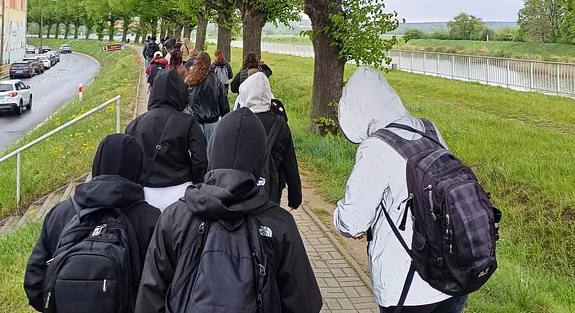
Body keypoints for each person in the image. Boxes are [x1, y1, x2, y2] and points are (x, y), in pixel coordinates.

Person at [134, 108, 323, 313]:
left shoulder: (175, 216)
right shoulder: (280, 224)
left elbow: (150, 295)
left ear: (212, 151)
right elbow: (304, 303)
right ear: (260, 160)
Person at [333, 67, 467, 313]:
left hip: (408, 286)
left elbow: (352, 222)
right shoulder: (428, 129)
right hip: (452, 277)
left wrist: (341, 217)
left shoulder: (376, 146)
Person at [24, 134, 160, 312]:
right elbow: (160, 287)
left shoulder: (60, 213)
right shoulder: (151, 218)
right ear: (138, 169)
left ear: (97, 164)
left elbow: (34, 282)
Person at [126, 69, 207, 212]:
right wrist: (197, 183)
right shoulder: (187, 122)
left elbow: (129, 162)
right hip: (181, 191)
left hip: (146, 193)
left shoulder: (134, 125)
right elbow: (200, 159)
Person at [238, 71, 302, 209]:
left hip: (242, 190)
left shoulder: (238, 121)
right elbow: (290, 161)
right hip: (271, 188)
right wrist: (295, 197)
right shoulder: (280, 124)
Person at [186, 51, 229, 145]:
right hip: (211, 120)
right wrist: (225, 114)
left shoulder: (190, 79)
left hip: (195, 119)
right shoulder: (215, 79)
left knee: (196, 149)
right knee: (211, 149)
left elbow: (185, 100)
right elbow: (222, 99)